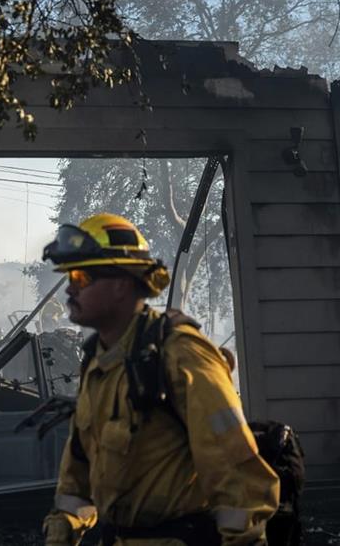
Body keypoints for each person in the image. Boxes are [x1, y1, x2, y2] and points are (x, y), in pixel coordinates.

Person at [41, 213, 279, 546]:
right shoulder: (98, 364)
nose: (69, 288)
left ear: (121, 283)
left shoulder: (180, 355)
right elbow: (77, 477)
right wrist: (61, 531)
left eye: (81, 276)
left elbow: (237, 473)